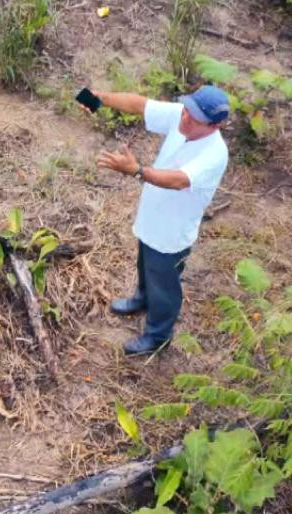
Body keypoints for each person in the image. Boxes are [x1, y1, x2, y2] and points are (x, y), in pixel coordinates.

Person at [92, 84, 230, 356]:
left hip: (171, 234)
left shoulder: (214, 154)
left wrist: (136, 171)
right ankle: (142, 299)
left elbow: (178, 180)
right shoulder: (184, 117)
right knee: (145, 265)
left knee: (164, 286)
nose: (185, 118)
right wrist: (100, 99)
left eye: (195, 118)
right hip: (151, 220)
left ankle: (158, 335)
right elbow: (140, 104)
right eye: (186, 111)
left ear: (215, 126)